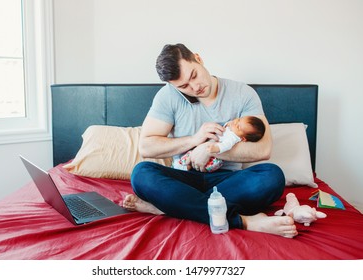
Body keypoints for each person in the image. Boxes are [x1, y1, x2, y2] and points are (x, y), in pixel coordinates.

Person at [123, 43, 297, 238]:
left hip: (229, 181)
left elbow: (263, 149)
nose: (195, 87)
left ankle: (170, 208)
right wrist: (195, 140)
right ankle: (243, 221)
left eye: (194, 76)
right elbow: (146, 146)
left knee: (272, 176)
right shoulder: (167, 97)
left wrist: (210, 149)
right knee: (141, 173)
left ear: (198, 58)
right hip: (183, 179)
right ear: (173, 86)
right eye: (184, 86)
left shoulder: (243, 94)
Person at [174, 116, 265, 172]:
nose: (235, 122)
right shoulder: (231, 128)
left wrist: (214, 150)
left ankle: (182, 166)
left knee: (191, 155)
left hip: (214, 158)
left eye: (238, 126)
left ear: (243, 138)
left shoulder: (233, 138)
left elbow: (226, 146)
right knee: (193, 154)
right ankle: (185, 167)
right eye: (239, 119)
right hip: (208, 149)